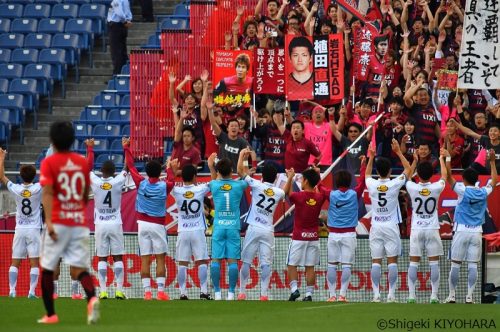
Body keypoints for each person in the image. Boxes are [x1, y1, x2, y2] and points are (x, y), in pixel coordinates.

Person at [38, 121, 99, 324]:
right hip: (78, 222)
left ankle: (51, 314)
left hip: (58, 220)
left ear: (52, 140)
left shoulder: (49, 162)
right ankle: (91, 299)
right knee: (80, 268)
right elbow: (84, 193)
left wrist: (49, 220)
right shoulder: (82, 162)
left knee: (47, 268)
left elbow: (47, 193)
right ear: (73, 140)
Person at [123, 137, 175, 301]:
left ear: (146, 171)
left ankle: (147, 293)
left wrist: (127, 148)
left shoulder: (141, 183)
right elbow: (172, 179)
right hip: (158, 226)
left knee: (145, 258)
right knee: (160, 258)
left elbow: (131, 166)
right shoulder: (165, 186)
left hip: (142, 225)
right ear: (160, 173)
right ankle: (160, 292)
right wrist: (170, 167)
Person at [442, 148, 497, 304]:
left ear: (464, 179)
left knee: (456, 264)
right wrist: (492, 162)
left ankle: (452, 296)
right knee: (473, 265)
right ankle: (470, 297)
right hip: (476, 233)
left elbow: (449, 177)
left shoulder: (461, 190)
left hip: (461, 231)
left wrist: (447, 158)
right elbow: (493, 181)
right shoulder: (483, 192)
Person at [365, 139, 412, 303]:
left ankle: (376, 295)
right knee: (392, 261)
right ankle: (391, 295)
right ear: (390, 170)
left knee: (376, 262)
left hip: (376, 226)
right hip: (391, 226)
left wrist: (371, 157)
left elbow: (366, 174)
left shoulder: (371, 183)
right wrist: (399, 152)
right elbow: (408, 169)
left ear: (377, 171)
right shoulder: (394, 184)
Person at [236, 148, 285, 301]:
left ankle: (242, 292)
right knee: (265, 264)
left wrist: (242, 157)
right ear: (276, 177)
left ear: (262, 176)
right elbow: (286, 191)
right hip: (268, 230)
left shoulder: (257, 185)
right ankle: (263, 294)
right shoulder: (279, 192)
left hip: (254, 228)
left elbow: (240, 171)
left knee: (246, 261)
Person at [85, 139, 127, 300]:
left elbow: (88, 168)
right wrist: (126, 148)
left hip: (100, 224)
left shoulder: (95, 181)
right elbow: (127, 167)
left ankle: (102, 291)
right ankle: (119, 290)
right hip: (115, 223)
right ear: (113, 171)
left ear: (101, 172)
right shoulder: (118, 181)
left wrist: (90, 149)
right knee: (117, 257)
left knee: (102, 257)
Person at [405, 155, 447, 304]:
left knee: (413, 263)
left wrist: (415, 161)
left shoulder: (412, 187)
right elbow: (444, 176)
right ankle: (434, 296)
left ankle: (411, 296)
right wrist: (442, 158)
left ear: (419, 174)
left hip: (417, 229)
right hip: (432, 229)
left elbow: (407, 176)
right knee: (434, 263)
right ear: (431, 174)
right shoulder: (436, 187)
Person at [207, 154, 249, 300]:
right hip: (233, 228)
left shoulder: (214, 185)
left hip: (218, 227)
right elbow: (245, 174)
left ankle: (217, 293)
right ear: (231, 170)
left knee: (216, 260)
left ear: (218, 172)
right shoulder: (239, 185)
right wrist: (243, 158)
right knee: (232, 261)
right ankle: (231, 293)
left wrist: (211, 165)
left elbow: (214, 178)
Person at [0, 151, 41, 299]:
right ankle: (31, 292)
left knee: (15, 262)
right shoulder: (38, 188)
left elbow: (2, 177)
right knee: (34, 263)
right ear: (34, 176)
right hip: (34, 229)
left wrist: (2, 158)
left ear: (21, 176)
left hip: (20, 229)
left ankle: (12, 291)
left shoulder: (16, 188)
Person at [284, 166, 329, 301]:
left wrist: (290, 177)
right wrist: (318, 175)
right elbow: (320, 189)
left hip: (298, 237)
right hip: (313, 238)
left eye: (302, 179)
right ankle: (309, 294)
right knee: (310, 267)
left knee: (292, 264)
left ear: (306, 181)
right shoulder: (320, 198)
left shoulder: (299, 196)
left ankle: (294, 290)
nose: (301, 182)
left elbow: (288, 193)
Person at [326, 159, 367, 302]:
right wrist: (363, 165)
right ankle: (342, 295)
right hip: (349, 234)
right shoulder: (354, 194)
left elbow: (317, 186)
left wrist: (317, 173)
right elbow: (363, 181)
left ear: (336, 182)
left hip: (333, 234)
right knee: (346, 265)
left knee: (332, 265)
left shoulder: (330, 194)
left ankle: (331, 295)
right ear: (350, 181)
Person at [170, 164, 212, 300]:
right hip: (198, 230)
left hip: (183, 230)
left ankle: (183, 293)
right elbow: (214, 180)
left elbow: (167, 183)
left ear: (182, 177)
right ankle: (204, 292)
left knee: (182, 262)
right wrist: (211, 166)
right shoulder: (200, 189)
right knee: (202, 261)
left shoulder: (176, 190)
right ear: (195, 177)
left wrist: (173, 171)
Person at [207, 100, 251, 172]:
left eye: (236, 126)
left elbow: (248, 157)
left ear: (239, 129)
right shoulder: (222, 137)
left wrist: (248, 169)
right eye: (232, 126)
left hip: (236, 175)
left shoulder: (242, 141)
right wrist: (209, 110)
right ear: (227, 128)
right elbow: (213, 123)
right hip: (221, 173)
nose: (234, 127)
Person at [107, 0, 132, 75]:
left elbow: (119, 13)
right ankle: (124, 73)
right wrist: (128, 20)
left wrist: (124, 21)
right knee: (122, 52)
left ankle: (117, 76)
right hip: (122, 26)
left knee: (116, 53)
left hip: (116, 26)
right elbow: (128, 13)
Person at [286, 36, 314, 101]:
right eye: (295, 55)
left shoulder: (318, 80)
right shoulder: (285, 82)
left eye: (304, 55)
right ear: (290, 58)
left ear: (310, 58)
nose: (300, 60)